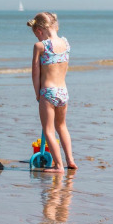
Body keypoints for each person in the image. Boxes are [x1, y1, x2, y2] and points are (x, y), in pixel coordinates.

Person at [27, 12, 77, 173]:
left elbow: (35, 73)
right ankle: (70, 160)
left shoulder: (40, 46)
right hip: (63, 91)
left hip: (48, 92)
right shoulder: (66, 43)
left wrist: (37, 93)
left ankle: (58, 165)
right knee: (62, 126)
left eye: (36, 35)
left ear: (40, 31)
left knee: (48, 130)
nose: (37, 39)